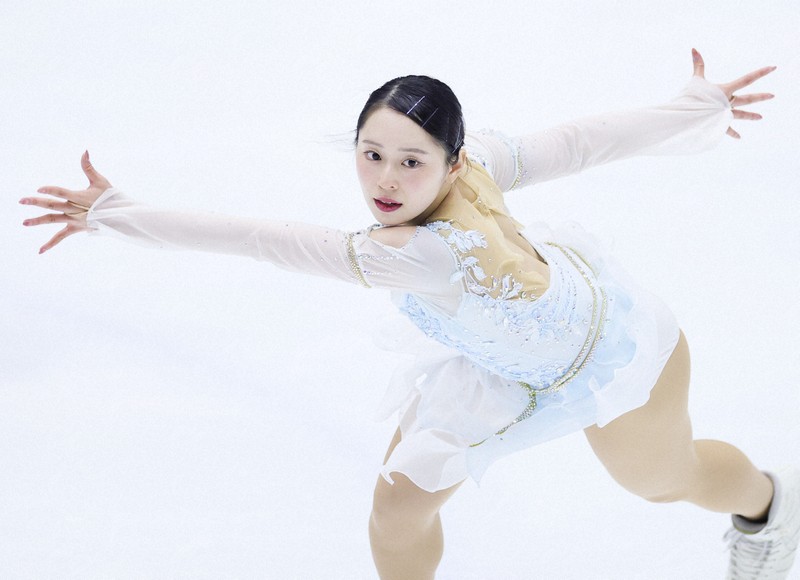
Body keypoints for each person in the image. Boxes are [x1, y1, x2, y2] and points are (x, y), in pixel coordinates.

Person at [20, 50, 797, 579]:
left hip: (609, 356)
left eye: (411, 162)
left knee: (664, 481)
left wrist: (117, 214)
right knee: (398, 507)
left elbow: (261, 240)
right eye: (371, 154)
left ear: (454, 162)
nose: (386, 182)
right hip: (499, 362)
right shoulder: (468, 166)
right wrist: (695, 109)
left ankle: (772, 508)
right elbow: (580, 142)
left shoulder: (412, 252)